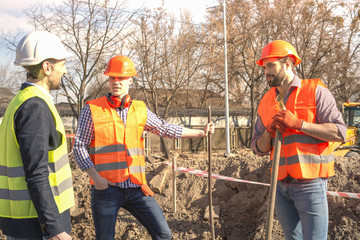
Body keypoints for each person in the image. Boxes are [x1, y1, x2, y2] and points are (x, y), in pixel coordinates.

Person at [73, 55, 214, 240]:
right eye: (112, 77)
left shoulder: (140, 109)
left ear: (130, 79)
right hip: (106, 188)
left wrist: (200, 133)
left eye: (121, 78)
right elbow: (78, 146)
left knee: (163, 234)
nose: (116, 82)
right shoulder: (92, 109)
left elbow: (165, 128)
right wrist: (95, 178)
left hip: (136, 188)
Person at [251, 40, 347, 240]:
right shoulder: (266, 101)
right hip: (280, 186)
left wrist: (299, 124)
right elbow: (257, 148)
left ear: (287, 64)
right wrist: (269, 131)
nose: (266, 71)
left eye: (271, 65)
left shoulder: (316, 91)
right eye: (264, 67)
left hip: (310, 185)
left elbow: (339, 132)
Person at [0, 31, 75, 240]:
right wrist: (54, 228)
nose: (65, 70)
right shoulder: (35, 107)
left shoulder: (20, 101)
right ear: (47, 67)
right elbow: (37, 173)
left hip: (26, 222)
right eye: (62, 64)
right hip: (38, 225)